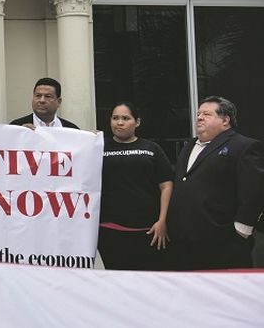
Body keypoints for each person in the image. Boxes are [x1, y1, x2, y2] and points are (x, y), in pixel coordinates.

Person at [167, 96, 264, 270]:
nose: (199, 117)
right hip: (184, 244)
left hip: (223, 243)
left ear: (225, 120)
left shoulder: (244, 146)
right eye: (198, 114)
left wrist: (242, 229)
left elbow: (255, 191)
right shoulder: (188, 146)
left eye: (206, 114)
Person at [98, 102, 173, 270]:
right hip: (109, 229)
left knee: (147, 280)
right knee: (117, 279)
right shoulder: (98, 147)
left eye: (126, 118)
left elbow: (166, 186)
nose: (119, 122)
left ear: (137, 122)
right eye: (115, 118)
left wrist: (162, 221)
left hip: (148, 230)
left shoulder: (151, 148)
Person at [9, 77, 79, 129]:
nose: (42, 100)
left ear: (59, 102)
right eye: (38, 96)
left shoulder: (72, 129)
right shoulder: (16, 127)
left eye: (48, 96)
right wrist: (20, 134)